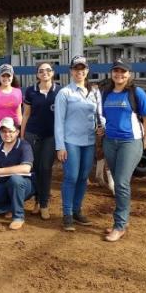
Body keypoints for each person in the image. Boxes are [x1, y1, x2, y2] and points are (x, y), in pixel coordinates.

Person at [101, 58, 146, 242]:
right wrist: (102, 129)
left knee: (121, 183)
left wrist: (143, 142)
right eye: (116, 71)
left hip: (130, 142)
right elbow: (105, 118)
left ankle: (119, 225)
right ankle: (123, 220)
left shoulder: (136, 92)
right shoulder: (106, 93)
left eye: (123, 71)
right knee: (118, 182)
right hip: (110, 142)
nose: (119, 74)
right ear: (112, 73)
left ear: (129, 74)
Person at [54, 55, 104, 231]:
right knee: (71, 177)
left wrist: (102, 127)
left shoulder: (95, 92)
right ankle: (67, 213)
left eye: (82, 69)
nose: (79, 72)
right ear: (71, 71)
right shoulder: (65, 93)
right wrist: (60, 146)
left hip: (89, 141)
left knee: (83, 177)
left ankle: (77, 210)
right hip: (71, 141)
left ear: (87, 71)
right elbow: (58, 121)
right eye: (76, 69)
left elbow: (100, 115)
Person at [20, 62, 61, 220]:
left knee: (45, 168)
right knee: (34, 169)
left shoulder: (60, 92)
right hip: (32, 134)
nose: (45, 73)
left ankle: (44, 203)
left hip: (51, 136)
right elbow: (26, 114)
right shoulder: (31, 91)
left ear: (52, 73)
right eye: (41, 71)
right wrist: (22, 136)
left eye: (48, 70)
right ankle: (37, 202)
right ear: (37, 74)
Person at [0, 63, 23, 146]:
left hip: (14, 130)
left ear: (12, 77)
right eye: (3, 76)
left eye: (8, 76)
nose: (6, 78)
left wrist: (21, 131)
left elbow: (19, 114)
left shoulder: (18, 92)